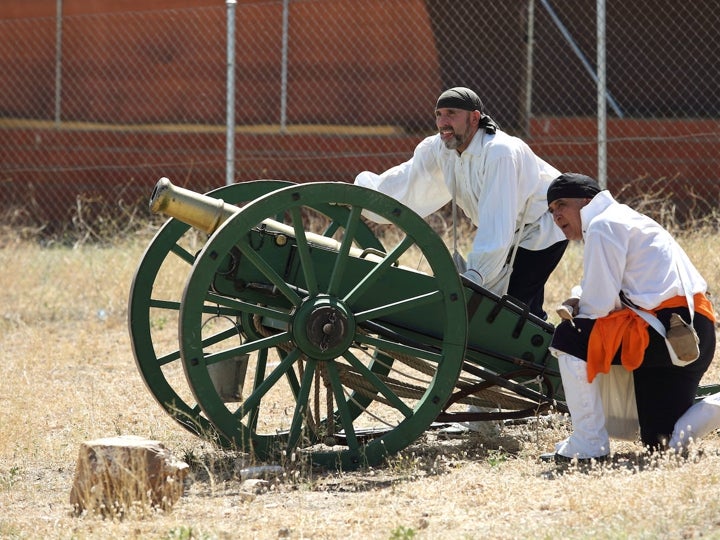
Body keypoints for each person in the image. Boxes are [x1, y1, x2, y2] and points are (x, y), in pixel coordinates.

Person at [542, 172, 716, 465]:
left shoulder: (602, 225)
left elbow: (597, 307)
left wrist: (576, 305)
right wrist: (582, 299)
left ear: (586, 201)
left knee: (570, 336)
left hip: (670, 334)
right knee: (660, 441)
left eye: (561, 205)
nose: (556, 215)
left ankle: (588, 445)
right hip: (690, 334)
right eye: (551, 210)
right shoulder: (621, 218)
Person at [354, 87, 568, 320]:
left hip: (543, 227)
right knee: (511, 314)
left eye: (451, 114)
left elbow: (498, 218)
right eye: (439, 114)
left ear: (474, 117)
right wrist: (366, 197)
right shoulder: (440, 147)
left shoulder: (499, 153)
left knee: (511, 315)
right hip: (509, 232)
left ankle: (545, 353)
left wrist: (475, 275)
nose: (443, 122)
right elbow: (409, 179)